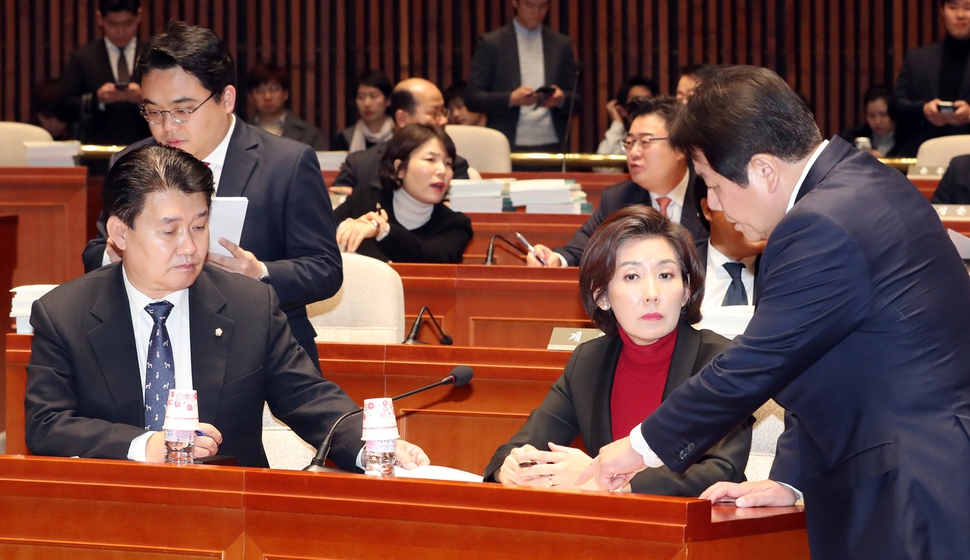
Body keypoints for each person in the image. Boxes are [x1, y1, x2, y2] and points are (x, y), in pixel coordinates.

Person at [579, 65, 970, 559]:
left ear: (764, 169)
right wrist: (791, 480)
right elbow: (817, 364)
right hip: (915, 471)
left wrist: (639, 447)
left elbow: (757, 362)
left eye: (713, 185)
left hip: (913, 492)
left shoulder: (819, 224)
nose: (715, 205)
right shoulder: (860, 180)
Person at [25, 144, 429, 470]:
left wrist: (372, 445)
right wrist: (145, 445)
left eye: (199, 226)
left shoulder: (249, 304)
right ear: (119, 233)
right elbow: (46, 424)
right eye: (169, 230)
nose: (190, 247)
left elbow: (309, 398)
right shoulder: (64, 314)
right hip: (117, 516)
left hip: (234, 516)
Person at [81, 22, 341, 370]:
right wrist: (118, 254)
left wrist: (260, 273)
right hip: (155, 346)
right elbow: (96, 250)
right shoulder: (129, 162)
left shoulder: (286, 164)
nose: (167, 125)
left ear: (226, 98)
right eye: (153, 111)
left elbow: (324, 269)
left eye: (183, 109)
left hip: (264, 354)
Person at [484, 206, 750, 495]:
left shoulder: (720, 361)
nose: (652, 294)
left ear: (686, 290)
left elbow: (722, 470)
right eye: (632, 277)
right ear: (602, 296)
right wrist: (509, 466)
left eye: (665, 274)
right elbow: (523, 445)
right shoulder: (588, 362)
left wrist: (609, 482)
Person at [527, 96, 708, 267]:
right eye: (629, 142)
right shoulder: (617, 199)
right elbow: (581, 249)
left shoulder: (709, 195)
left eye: (645, 142)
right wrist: (555, 259)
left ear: (680, 148)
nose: (634, 152)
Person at [333, 124, 472, 263]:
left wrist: (382, 230)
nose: (442, 170)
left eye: (448, 163)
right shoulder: (364, 199)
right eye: (430, 159)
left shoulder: (455, 224)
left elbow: (433, 259)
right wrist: (346, 227)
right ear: (400, 169)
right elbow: (321, 230)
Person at [465, 0, 581, 153]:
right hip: (506, 144)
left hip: (552, 144)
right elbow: (473, 98)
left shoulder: (561, 44)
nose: (537, 12)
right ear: (515, 3)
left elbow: (577, 99)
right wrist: (511, 99)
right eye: (530, 5)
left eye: (543, 6)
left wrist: (560, 98)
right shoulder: (492, 43)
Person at [331, 78, 470, 196]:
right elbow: (336, 207)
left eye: (443, 112)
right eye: (434, 113)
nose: (443, 120)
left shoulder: (453, 165)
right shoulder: (359, 164)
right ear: (402, 119)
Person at [55, 0, 150, 146]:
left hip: (147, 150)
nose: (121, 31)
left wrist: (144, 98)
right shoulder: (83, 58)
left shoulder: (153, 55)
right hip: (97, 151)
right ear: (100, 19)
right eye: (112, 24)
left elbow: (172, 102)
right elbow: (62, 107)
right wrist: (97, 100)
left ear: (138, 17)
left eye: (127, 23)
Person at [892, 0, 970, 145]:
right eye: (953, 8)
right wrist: (923, 110)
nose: (960, 15)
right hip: (921, 153)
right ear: (942, 12)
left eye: (968, 8)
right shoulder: (917, 59)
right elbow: (895, 106)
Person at [692, 174, 765, 309]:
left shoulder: (785, 265)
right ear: (708, 209)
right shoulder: (682, 267)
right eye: (742, 203)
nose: (755, 216)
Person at [247, 62, 326, 151]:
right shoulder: (240, 132)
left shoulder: (310, 135)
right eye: (260, 90)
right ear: (251, 97)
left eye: (274, 89)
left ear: (285, 94)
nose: (267, 96)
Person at [840, 85, 918, 158]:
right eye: (871, 116)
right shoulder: (852, 138)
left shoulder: (910, 140)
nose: (877, 122)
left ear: (894, 112)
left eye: (883, 115)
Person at [331, 70, 394, 152]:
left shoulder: (400, 135)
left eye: (374, 96)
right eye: (361, 97)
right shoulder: (344, 139)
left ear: (388, 100)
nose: (367, 104)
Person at [596, 76, 658, 156]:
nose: (642, 107)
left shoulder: (662, 138)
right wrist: (617, 123)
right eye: (636, 102)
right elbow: (602, 167)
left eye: (647, 101)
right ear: (623, 110)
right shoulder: (621, 140)